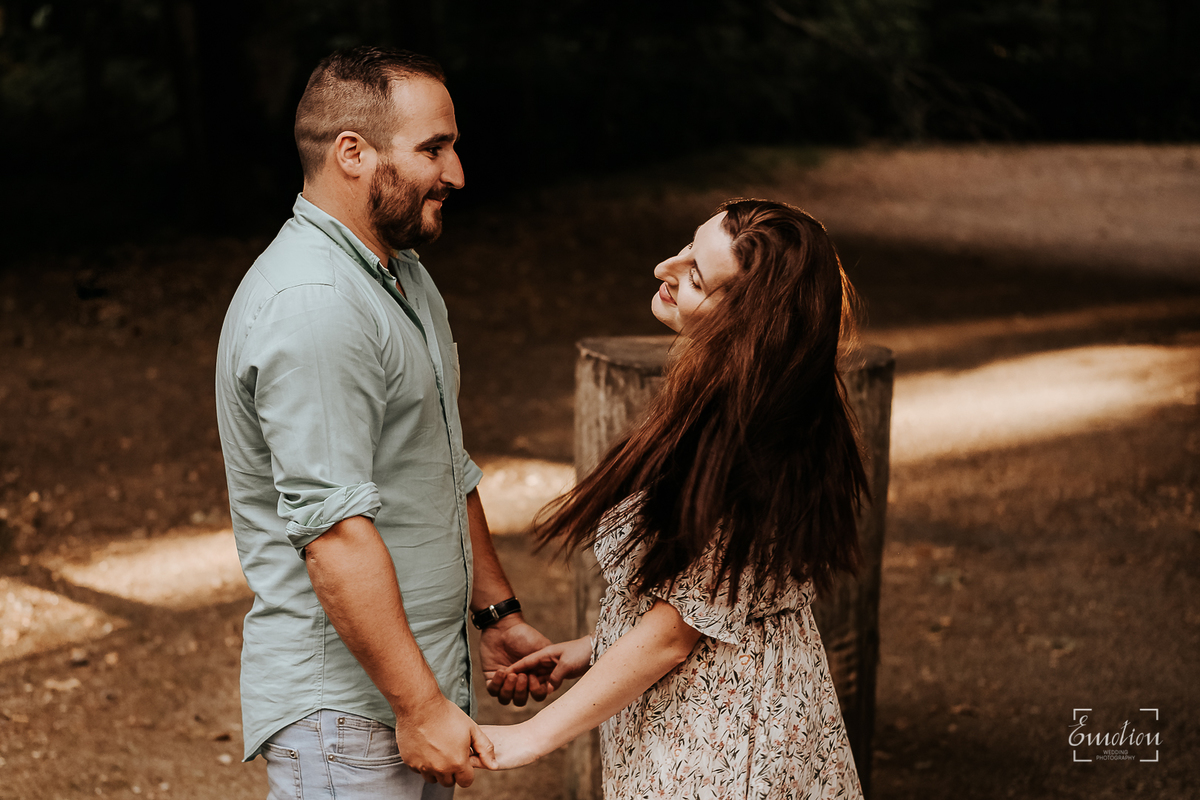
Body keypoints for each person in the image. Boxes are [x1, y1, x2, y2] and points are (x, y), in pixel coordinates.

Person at [214, 46, 551, 798]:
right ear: (352, 153)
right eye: (434, 148)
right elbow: (333, 532)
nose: (457, 173)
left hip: (408, 690)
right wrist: (420, 705)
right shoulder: (314, 305)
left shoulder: (399, 272)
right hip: (351, 718)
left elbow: (440, 461)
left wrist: (494, 613)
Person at [480, 200, 868, 798]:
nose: (665, 266)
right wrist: (594, 648)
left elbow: (673, 632)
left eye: (694, 276)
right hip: (727, 710)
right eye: (687, 247)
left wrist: (527, 739)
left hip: (721, 747)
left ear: (747, 320)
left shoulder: (742, 432)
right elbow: (715, 594)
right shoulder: (755, 400)